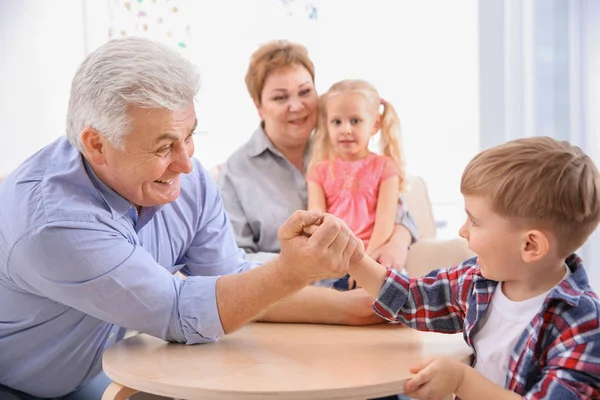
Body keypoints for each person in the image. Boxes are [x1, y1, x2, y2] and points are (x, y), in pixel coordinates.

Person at [0, 37, 364, 399]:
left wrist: (353, 309)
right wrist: (292, 271)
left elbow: (229, 283)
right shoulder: (54, 223)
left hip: (92, 370)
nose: (187, 164)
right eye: (163, 147)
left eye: (189, 136)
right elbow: (181, 313)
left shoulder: (184, 179)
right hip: (18, 385)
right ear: (97, 145)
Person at [347, 137, 600, 399]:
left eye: (475, 221)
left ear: (530, 245)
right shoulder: (479, 280)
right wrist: (353, 259)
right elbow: (411, 298)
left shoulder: (582, 326)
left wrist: (462, 381)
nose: (463, 230)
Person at [218, 40, 417, 279]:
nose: (297, 106)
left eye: (305, 92)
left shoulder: (343, 149)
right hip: (293, 294)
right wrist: (305, 262)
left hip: (364, 274)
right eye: (280, 98)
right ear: (259, 106)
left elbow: (395, 208)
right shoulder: (236, 172)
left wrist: (399, 238)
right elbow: (234, 259)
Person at [307, 79, 404, 290]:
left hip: (374, 258)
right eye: (337, 122)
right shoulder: (318, 171)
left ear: (375, 124)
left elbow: (385, 222)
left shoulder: (385, 167)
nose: (346, 130)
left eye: (355, 121)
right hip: (334, 262)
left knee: (392, 293)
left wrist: (364, 264)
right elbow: (317, 221)